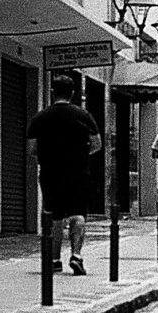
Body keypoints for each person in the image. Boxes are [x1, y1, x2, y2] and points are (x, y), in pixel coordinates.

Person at [26, 73, 101, 276]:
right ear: (73, 93)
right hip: (78, 172)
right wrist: (80, 154)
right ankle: (76, 256)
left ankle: (55, 259)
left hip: (50, 173)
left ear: (52, 92)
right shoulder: (83, 115)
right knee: (78, 214)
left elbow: (32, 148)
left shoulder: (41, 117)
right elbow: (97, 144)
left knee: (55, 215)